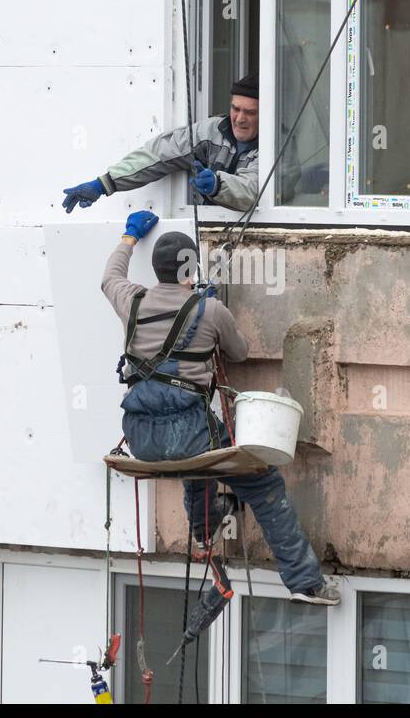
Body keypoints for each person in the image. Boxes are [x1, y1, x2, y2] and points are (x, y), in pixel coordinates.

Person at [100, 208, 339, 607]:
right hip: (191, 435)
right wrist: (208, 310)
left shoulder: (132, 301)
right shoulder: (208, 310)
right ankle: (305, 583)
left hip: (142, 439)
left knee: (199, 466)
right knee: (263, 484)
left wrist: (129, 237)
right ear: (190, 270)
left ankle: (204, 528)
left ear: (156, 270)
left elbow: (109, 276)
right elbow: (240, 353)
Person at [63, 74, 262, 213]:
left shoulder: (273, 147)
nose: (239, 119)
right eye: (235, 109)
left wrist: (217, 185)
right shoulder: (212, 130)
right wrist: (104, 184)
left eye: (250, 112)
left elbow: (253, 191)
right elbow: (161, 153)